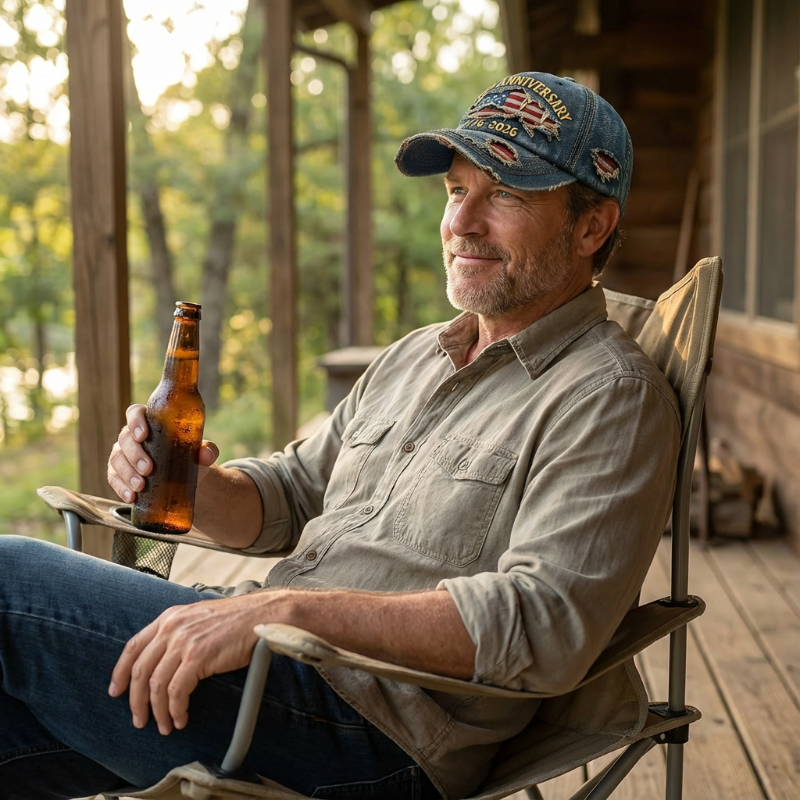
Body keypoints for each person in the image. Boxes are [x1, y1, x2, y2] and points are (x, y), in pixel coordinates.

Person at [0, 72, 680, 800]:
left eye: (505, 194)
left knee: (10, 575)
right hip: (271, 670)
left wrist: (284, 609)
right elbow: (290, 496)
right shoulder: (416, 357)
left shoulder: (608, 397)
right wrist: (190, 483)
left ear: (591, 227)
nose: (461, 221)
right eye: (456, 190)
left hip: (369, 730)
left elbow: (544, 625)